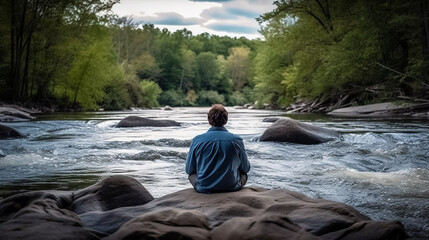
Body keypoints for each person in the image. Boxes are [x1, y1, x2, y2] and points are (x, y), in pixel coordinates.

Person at [185, 104, 250, 193]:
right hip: (232, 187)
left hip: (203, 188)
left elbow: (189, 169)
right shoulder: (237, 140)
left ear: (208, 120)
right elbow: (245, 168)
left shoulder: (197, 140)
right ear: (226, 120)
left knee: (191, 174)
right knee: (244, 174)